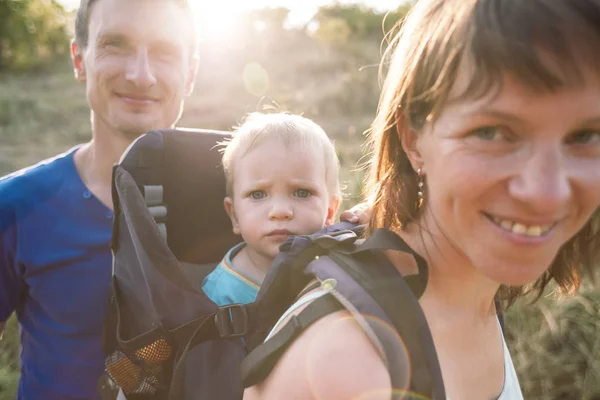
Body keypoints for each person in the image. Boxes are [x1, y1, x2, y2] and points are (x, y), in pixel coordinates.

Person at [243, 0, 600, 399]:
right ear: (412, 141)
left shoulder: (474, 280)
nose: (546, 193)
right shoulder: (347, 362)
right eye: (492, 133)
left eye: (585, 137)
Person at [0, 0, 200, 398]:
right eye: (116, 44)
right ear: (79, 59)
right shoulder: (14, 206)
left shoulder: (247, 203)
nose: (140, 75)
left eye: (163, 52)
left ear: (190, 72)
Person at [202, 112, 341, 306]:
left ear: (330, 211)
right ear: (234, 216)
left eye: (301, 193)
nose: (280, 211)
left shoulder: (339, 265)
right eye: (258, 194)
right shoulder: (221, 297)